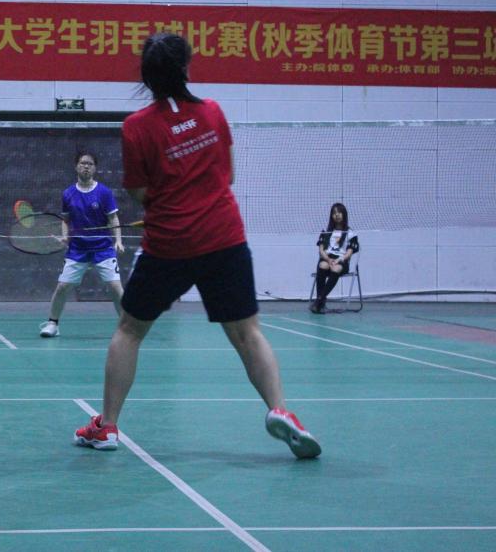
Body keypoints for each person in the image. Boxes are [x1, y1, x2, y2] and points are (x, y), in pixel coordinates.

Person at [74, 33, 321, 459]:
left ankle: (107, 426)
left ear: (146, 78)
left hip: (169, 244)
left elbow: (139, 191)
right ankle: (281, 410)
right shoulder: (212, 112)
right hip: (224, 238)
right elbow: (228, 177)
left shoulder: (136, 127)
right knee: (247, 332)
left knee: (130, 330)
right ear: (186, 69)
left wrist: (170, 200)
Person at [39, 151, 125, 338]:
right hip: (78, 249)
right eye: (83, 163)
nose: (86, 166)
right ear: (76, 166)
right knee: (62, 287)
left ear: (95, 168)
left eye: (90, 164)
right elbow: (65, 220)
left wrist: (118, 240)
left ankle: (126, 328)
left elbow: (113, 218)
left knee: (115, 287)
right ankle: (52, 323)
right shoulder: (68, 194)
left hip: (102, 248)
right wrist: (65, 237)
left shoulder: (104, 192)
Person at [311, 202, 359, 314]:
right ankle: (320, 302)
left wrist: (339, 260)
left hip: (341, 261)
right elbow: (321, 250)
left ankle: (319, 300)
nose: (337, 215)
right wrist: (328, 259)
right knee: (322, 265)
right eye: (334, 213)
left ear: (344, 214)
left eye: (339, 212)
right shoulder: (326, 232)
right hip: (327, 258)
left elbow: (349, 253)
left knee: (336, 268)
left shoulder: (350, 233)